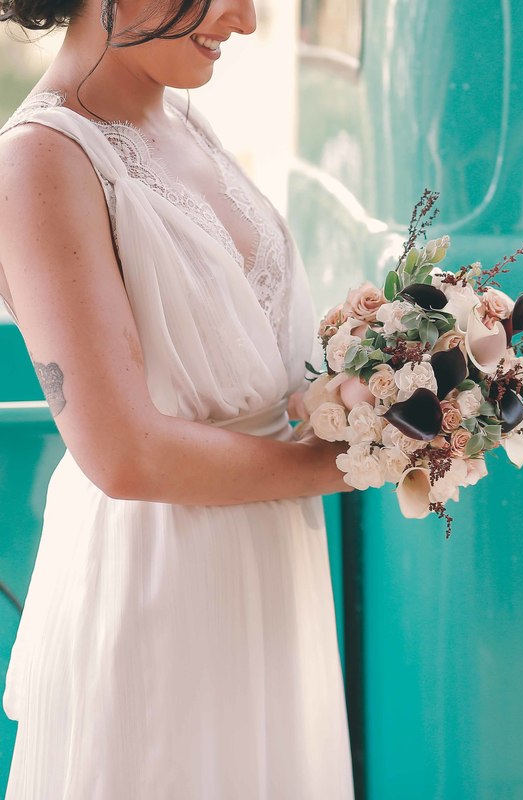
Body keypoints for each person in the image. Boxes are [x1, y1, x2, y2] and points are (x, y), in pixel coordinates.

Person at [0, 0, 356, 796]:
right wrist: (341, 466)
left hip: (266, 570)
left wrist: (351, 399)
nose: (248, 19)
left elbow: (243, 366)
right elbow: (127, 454)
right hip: (161, 585)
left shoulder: (182, 119)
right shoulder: (41, 162)